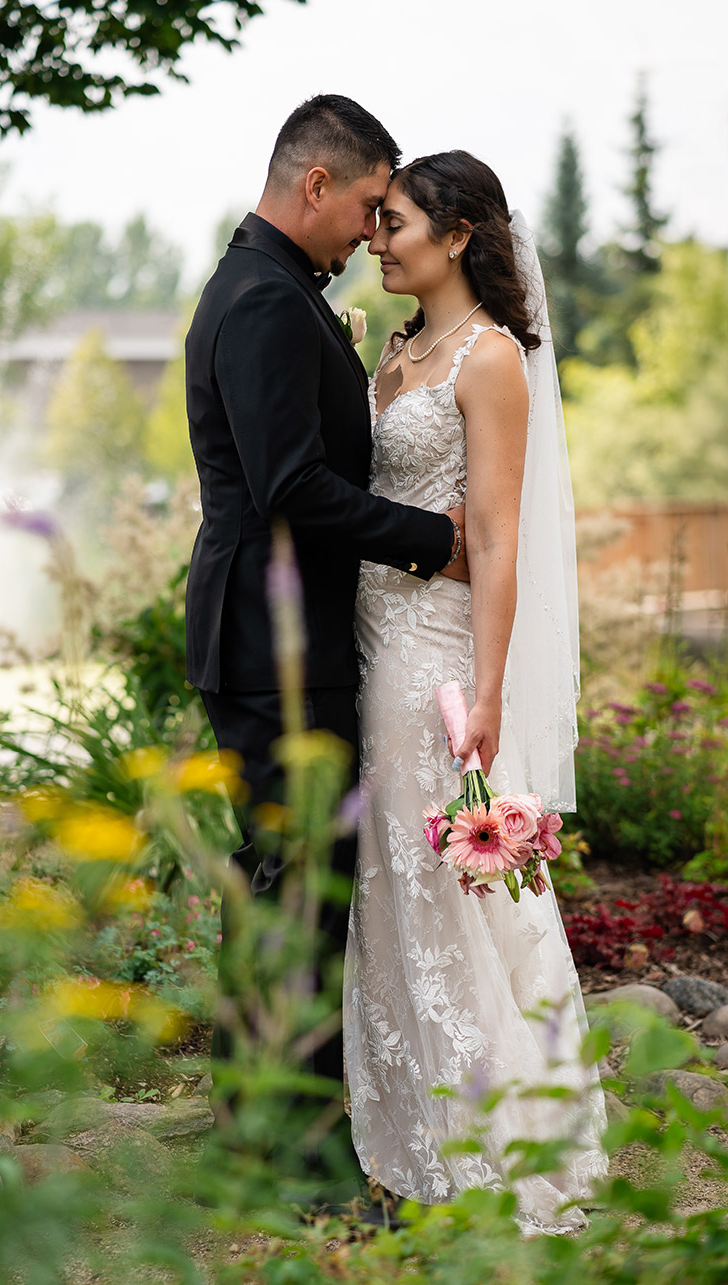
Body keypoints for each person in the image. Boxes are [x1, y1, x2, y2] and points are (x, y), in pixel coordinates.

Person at [184, 97, 466, 1202]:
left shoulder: (274, 292)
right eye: (361, 207)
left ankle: (256, 1138)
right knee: (293, 892)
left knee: (280, 888)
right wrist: (434, 541)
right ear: (314, 187)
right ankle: (293, 1163)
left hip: (275, 635)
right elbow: (291, 488)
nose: (366, 232)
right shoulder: (260, 299)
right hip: (270, 640)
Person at [343, 151, 608, 1234]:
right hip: (362, 637)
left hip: (432, 655)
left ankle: (504, 1143)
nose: (374, 239)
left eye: (392, 221)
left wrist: (487, 690)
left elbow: (496, 537)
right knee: (386, 885)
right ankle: (408, 1130)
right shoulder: (399, 347)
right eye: (371, 220)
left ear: (454, 235)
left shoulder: (490, 360)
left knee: (447, 887)